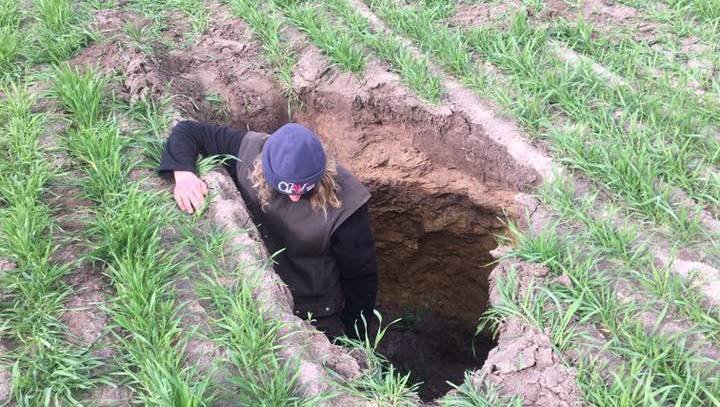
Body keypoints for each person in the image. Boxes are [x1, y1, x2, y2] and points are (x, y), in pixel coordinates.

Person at [159, 120, 378, 339]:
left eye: (304, 189)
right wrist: (184, 174)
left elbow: (360, 277)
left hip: (317, 309)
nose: (294, 197)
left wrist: (355, 332)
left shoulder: (347, 206)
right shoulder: (249, 150)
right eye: (285, 188)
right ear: (264, 166)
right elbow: (189, 131)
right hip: (255, 286)